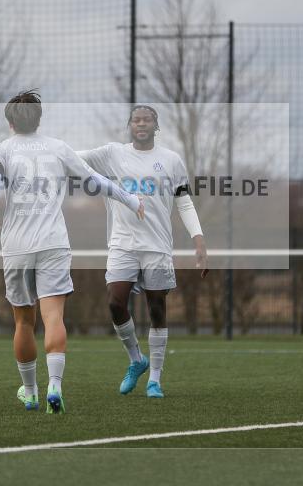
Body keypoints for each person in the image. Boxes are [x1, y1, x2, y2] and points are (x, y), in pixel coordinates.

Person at [0, 90, 144, 414]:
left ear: (10, 121)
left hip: (17, 248)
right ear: (39, 119)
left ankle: (30, 392)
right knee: (53, 316)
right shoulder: (58, 148)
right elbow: (96, 181)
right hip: (53, 243)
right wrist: (130, 199)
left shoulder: (2, 149)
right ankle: (55, 384)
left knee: (23, 323)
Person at [77, 105, 207, 399]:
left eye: (147, 119)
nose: (141, 123)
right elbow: (74, 158)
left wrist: (198, 239)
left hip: (158, 246)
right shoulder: (113, 154)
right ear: (130, 125)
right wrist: (42, 151)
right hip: (122, 243)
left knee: (157, 309)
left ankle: (156, 381)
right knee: (115, 302)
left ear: (155, 125)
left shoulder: (171, 160)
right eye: (136, 119)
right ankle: (137, 360)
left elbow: (184, 202)